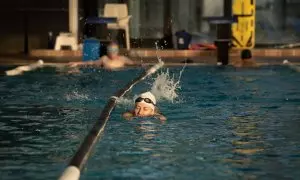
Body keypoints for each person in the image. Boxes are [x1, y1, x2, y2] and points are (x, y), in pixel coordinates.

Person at [69, 42, 136, 70]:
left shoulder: (123, 59)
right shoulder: (104, 59)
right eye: (110, 50)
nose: (112, 52)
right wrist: (77, 63)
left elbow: (135, 64)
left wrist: (145, 65)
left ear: (118, 51)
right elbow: (91, 63)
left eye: (114, 50)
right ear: (107, 51)